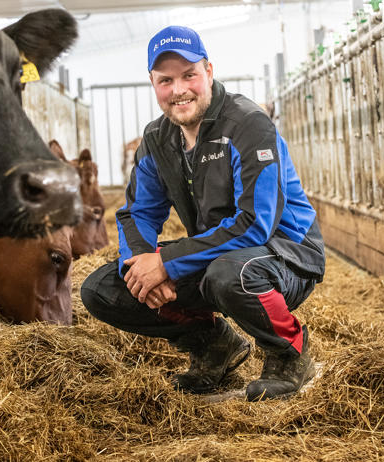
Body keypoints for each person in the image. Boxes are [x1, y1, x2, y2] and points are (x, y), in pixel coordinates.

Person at [81, 25, 325, 401]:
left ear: (208, 72)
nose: (179, 90)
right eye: (166, 80)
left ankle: (289, 354)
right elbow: (136, 212)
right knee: (104, 288)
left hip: (285, 254)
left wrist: (167, 263)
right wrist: (141, 264)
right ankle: (214, 346)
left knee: (229, 274)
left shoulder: (248, 124)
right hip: (217, 255)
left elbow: (255, 224)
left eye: (189, 75)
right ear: (153, 83)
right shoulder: (157, 140)